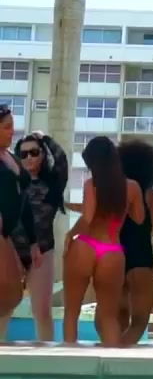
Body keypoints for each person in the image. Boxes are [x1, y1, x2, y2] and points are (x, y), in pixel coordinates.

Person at [63, 136, 145, 346]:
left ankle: (68, 360)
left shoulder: (92, 185)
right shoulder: (132, 187)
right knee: (109, 316)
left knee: (72, 312)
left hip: (86, 245)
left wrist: (70, 234)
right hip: (112, 250)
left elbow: (88, 218)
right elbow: (139, 219)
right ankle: (112, 361)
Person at [11, 132, 68, 341]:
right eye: (23, 154)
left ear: (43, 154)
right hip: (12, 252)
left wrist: (45, 139)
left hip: (42, 252)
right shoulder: (12, 182)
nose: (29, 157)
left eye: (34, 152)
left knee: (42, 311)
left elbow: (61, 161)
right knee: (4, 308)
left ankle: (46, 356)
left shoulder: (52, 184)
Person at [117, 139, 153, 345]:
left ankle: (112, 352)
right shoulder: (151, 196)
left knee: (116, 316)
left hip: (115, 257)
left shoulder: (115, 194)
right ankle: (120, 352)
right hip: (141, 258)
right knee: (139, 321)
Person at [0, 108, 36, 340]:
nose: (12, 131)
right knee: (9, 293)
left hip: (9, 233)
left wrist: (33, 241)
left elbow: (25, 201)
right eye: (6, 127)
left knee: (12, 295)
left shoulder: (10, 158)